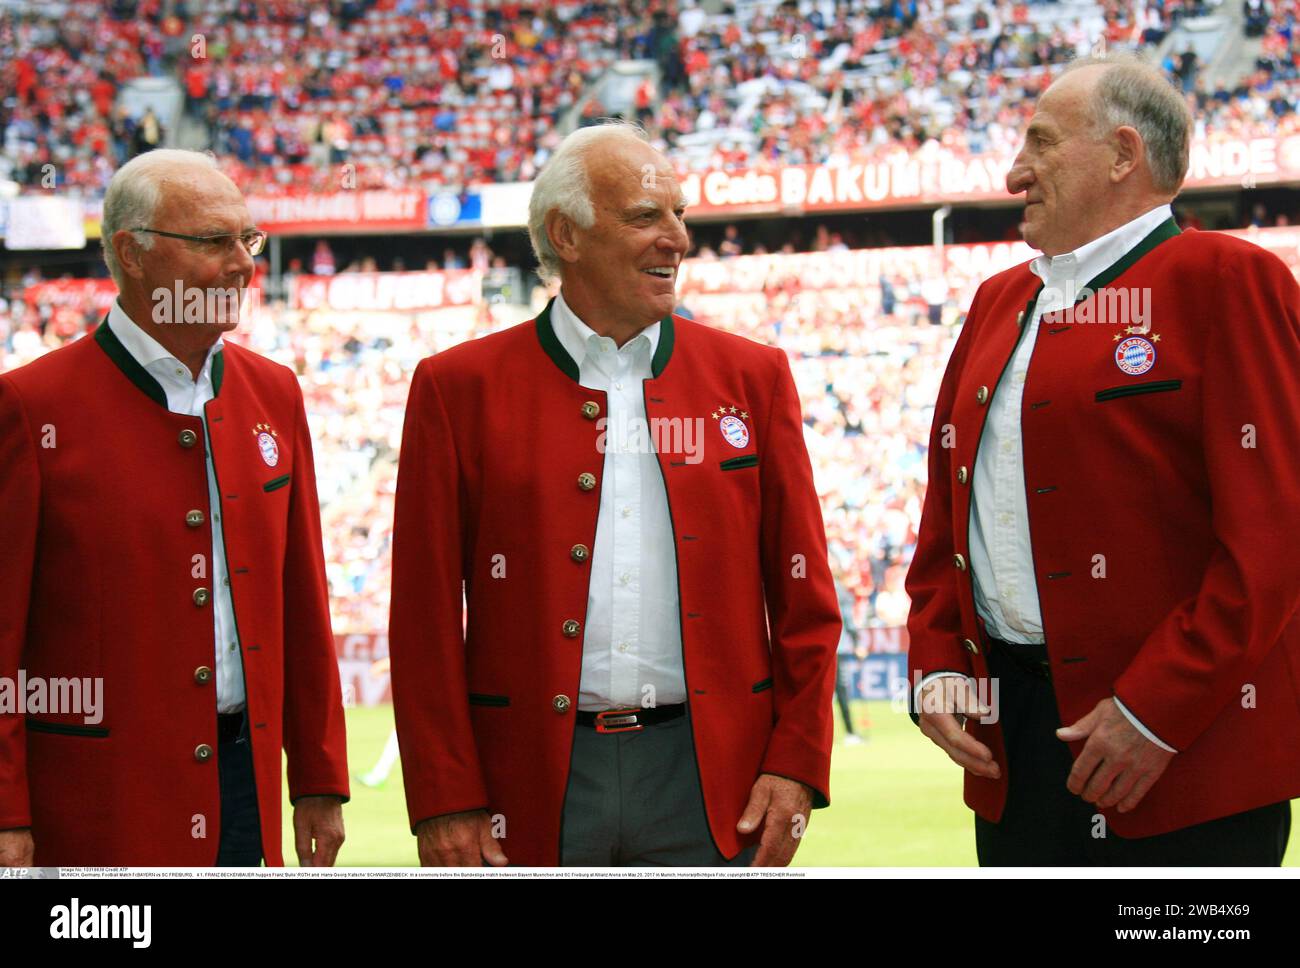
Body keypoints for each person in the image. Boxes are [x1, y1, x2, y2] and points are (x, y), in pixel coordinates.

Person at [389, 121, 841, 867]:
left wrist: (796, 764)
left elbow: (806, 600)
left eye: (680, 217)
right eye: (645, 218)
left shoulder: (753, 378)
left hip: (713, 778)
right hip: (528, 782)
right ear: (566, 235)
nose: (677, 240)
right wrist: (445, 796)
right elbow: (424, 618)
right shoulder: (456, 388)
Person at [906, 53, 1300, 866]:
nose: (1016, 172)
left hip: (1185, 757)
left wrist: (1156, 711)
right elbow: (947, 518)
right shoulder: (996, 302)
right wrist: (938, 665)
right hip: (1016, 750)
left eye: (1041, 144)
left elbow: (1276, 538)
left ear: (1124, 155)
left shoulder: (1230, 279)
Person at [0, 149, 349, 867]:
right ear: (132, 253)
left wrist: (317, 777)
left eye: (246, 241)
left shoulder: (274, 392)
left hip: (245, 790)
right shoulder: (31, 406)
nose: (243, 264)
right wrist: (5, 812)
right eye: (213, 242)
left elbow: (300, 602)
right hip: (99, 803)